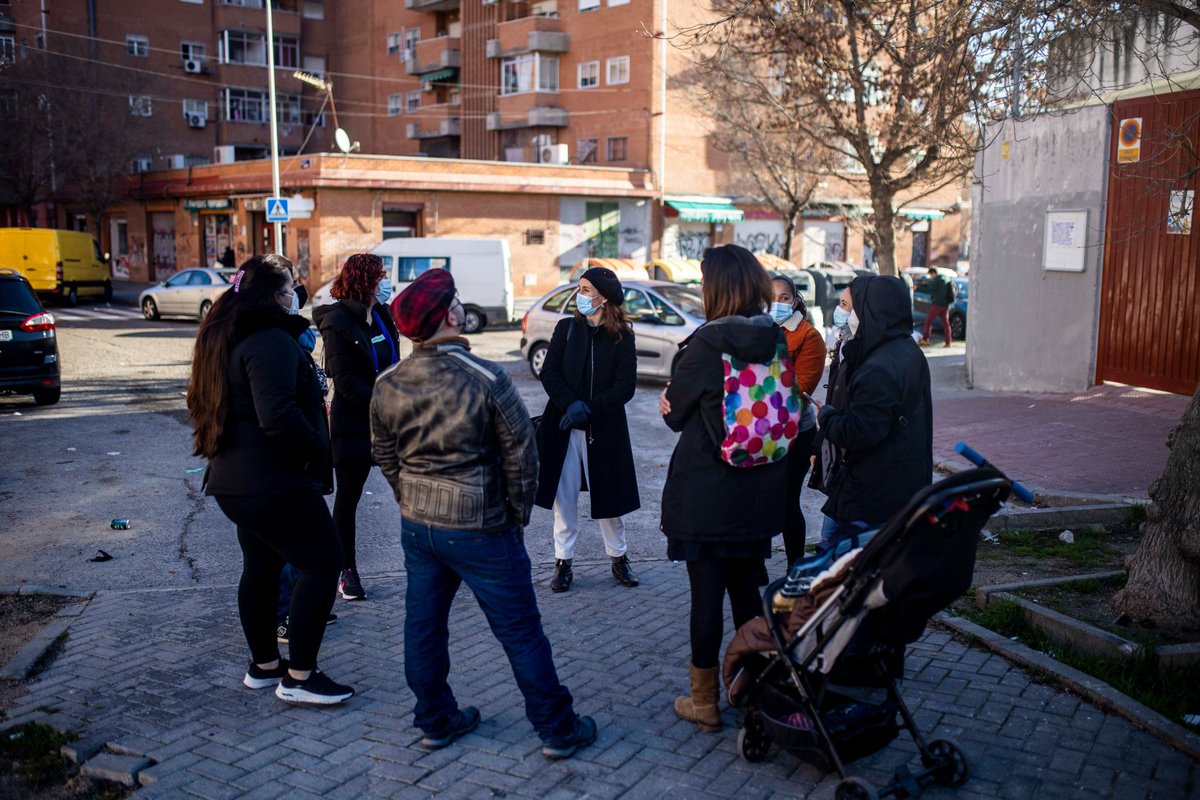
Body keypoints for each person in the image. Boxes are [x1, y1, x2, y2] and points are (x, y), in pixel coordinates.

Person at [370, 269, 597, 759]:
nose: (459, 305)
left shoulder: (388, 382)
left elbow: (385, 454)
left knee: (423, 628)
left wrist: (410, 498)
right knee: (520, 631)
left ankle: (435, 719)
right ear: (449, 316)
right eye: (454, 300)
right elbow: (523, 458)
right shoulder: (486, 377)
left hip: (420, 525)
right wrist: (515, 516)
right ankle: (557, 728)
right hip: (482, 526)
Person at [187, 254, 353, 706]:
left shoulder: (228, 335)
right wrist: (319, 451)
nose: (296, 294)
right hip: (273, 482)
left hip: (237, 481)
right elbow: (277, 414)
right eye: (290, 288)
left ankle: (264, 666)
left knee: (261, 568)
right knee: (323, 563)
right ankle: (300, 676)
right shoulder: (269, 340)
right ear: (272, 296)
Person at [659, 244, 789, 733]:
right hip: (757, 490)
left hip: (707, 493)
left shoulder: (705, 343)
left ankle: (705, 702)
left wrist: (671, 403)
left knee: (706, 597)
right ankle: (755, 692)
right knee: (747, 593)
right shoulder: (775, 338)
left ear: (716, 288)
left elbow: (676, 413)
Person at [535, 266, 640, 593]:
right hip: (563, 426)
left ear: (603, 297)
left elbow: (625, 388)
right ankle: (563, 562)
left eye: (584, 290)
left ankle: (619, 558)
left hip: (604, 429)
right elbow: (549, 373)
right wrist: (571, 405)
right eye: (579, 288)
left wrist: (590, 409)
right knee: (563, 500)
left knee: (610, 500)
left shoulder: (622, 337)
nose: (578, 296)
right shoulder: (566, 329)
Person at [817, 275, 933, 543]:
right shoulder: (906, 350)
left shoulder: (879, 367)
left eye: (853, 307)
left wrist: (827, 417)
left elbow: (861, 431)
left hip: (874, 490)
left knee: (835, 551)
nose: (848, 315)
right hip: (902, 482)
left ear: (872, 310)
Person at [313, 253, 399, 601]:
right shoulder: (337, 322)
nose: (387, 281)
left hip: (390, 421)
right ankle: (345, 570)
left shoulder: (382, 315)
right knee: (348, 500)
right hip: (355, 423)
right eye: (382, 275)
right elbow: (347, 383)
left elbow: (394, 362)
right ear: (367, 280)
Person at [769, 274, 827, 566]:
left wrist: (759, 393)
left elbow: (802, 388)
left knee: (787, 500)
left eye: (784, 298)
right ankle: (757, 568)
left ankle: (795, 565)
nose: (778, 304)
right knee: (761, 499)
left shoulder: (808, 336)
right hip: (761, 430)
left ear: (794, 301)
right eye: (772, 298)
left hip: (795, 432)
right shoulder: (757, 327)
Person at [919, 266, 956, 347]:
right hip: (945, 305)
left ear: (933, 273)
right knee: (946, 323)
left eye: (930, 275)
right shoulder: (946, 278)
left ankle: (925, 339)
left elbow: (930, 289)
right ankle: (948, 342)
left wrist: (919, 288)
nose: (931, 277)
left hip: (937, 304)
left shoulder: (937, 280)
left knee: (928, 321)